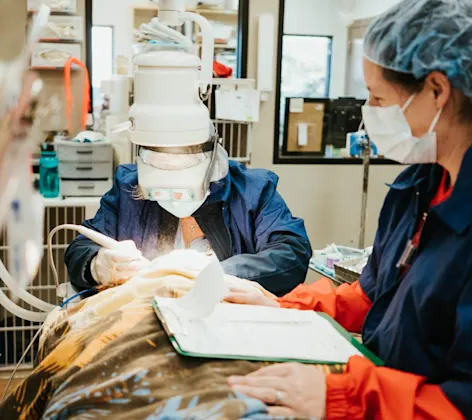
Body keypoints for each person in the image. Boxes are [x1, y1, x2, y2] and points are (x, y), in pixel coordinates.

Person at [225, 0, 472, 418]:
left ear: (436, 90)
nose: (368, 114)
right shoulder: (418, 186)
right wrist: (281, 305)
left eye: (377, 97)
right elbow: (374, 296)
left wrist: (349, 398)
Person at [65, 122, 311, 296]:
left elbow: (292, 253)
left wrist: (217, 272)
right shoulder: (129, 188)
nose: (174, 191)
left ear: (212, 168)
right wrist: (98, 265)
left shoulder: (252, 191)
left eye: (183, 178)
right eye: (162, 180)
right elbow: (81, 247)